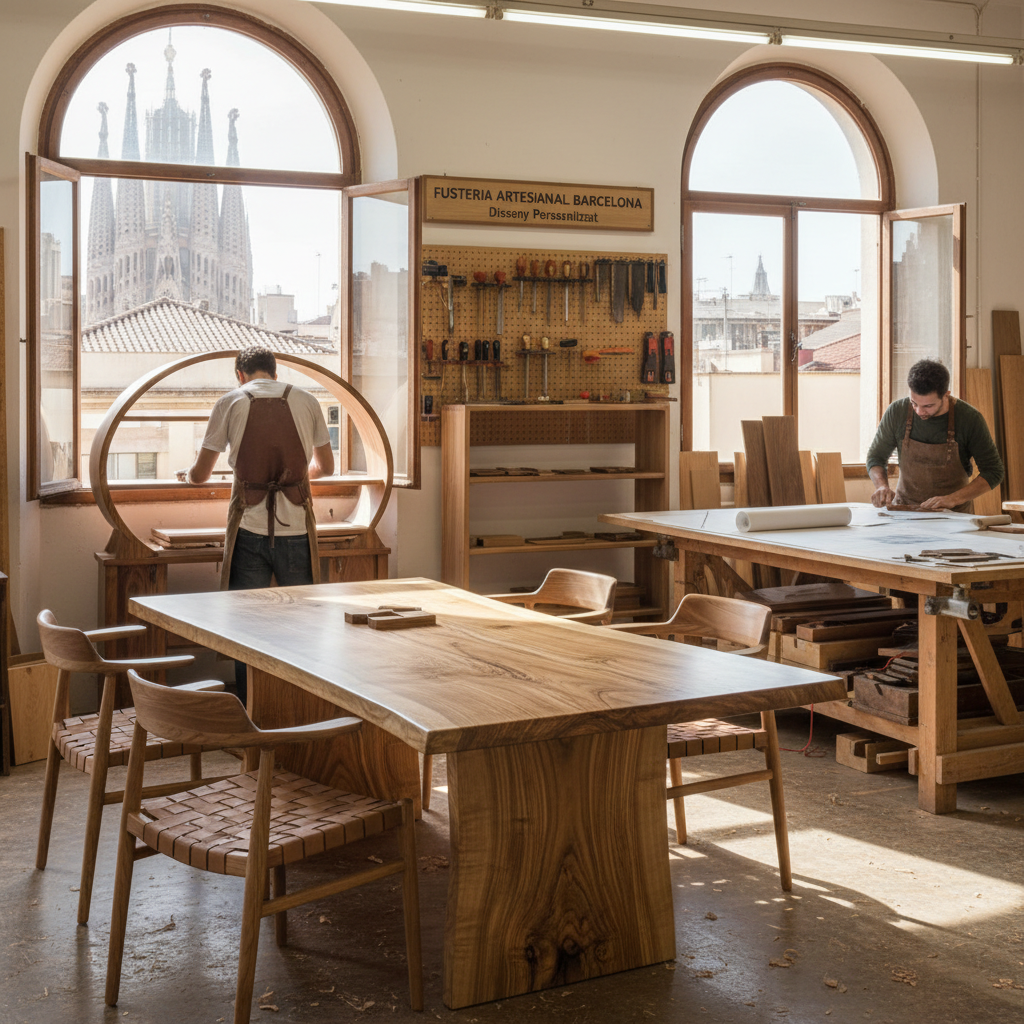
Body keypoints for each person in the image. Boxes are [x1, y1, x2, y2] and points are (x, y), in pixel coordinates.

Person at [177, 345, 334, 705]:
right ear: (276, 373)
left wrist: (187, 475)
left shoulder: (230, 402)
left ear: (240, 375)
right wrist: (297, 479)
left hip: (248, 528)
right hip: (296, 528)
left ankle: (252, 708)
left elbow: (201, 475)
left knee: (246, 626)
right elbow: (326, 468)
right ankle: (300, 708)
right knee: (303, 625)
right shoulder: (308, 400)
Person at [866, 358, 1003, 512]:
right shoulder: (897, 412)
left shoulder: (969, 418)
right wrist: (882, 486)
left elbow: (993, 472)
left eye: (928, 406)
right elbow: (875, 458)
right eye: (914, 403)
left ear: (946, 395)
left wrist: (952, 499)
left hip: (953, 515)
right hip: (905, 511)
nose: (919, 411)